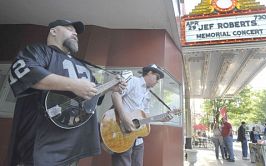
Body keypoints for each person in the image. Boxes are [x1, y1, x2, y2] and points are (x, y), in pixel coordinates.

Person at [7, 19, 125, 166]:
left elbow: (89, 96)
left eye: (76, 32)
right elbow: (25, 73)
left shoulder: (84, 67)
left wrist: (109, 88)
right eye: (70, 29)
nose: (75, 33)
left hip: (71, 148)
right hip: (40, 146)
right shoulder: (39, 51)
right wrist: (73, 84)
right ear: (53, 31)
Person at [110, 64, 175, 166]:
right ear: (149, 73)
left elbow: (146, 116)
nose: (158, 82)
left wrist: (162, 118)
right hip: (122, 133)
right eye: (157, 78)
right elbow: (115, 94)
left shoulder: (148, 94)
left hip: (138, 139)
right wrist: (124, 116)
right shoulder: (133, 81)